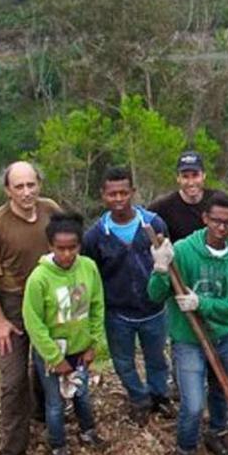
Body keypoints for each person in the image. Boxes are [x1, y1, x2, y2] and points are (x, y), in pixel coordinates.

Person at [147, 192, 228, 455]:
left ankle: (217, 434)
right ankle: (186, 449)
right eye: (216, 221)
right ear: (205, 219)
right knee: (192, 404)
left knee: (221, 391)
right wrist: (159, 267)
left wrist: (201, 303)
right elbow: (155, 295)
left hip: (223, 336)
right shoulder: (182, 250)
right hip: (188, 339)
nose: (222, 228)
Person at [0, 161, 60, 455]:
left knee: (49, 365)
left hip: (48, 301)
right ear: (8, 189)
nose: (26, 192)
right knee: (13, 381)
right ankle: (11, 453)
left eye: (31, 184)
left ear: (39, 183)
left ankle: (44, 417)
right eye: (19, 186)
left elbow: (68, 244)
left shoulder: (50, 209)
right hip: (12, 305)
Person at [82, 167, 173, 426]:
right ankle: (138, 397)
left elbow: (166, 257)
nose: (119, 199)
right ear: (103, 196)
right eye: (113, 194)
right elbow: (92, 274)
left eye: (124, 192)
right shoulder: (95, 236)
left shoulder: (153, 224)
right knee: (123, 362)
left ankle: (159, 395)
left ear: (133, 192)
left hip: (153, 309)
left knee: (156, 358)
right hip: (117, 313)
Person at [22, 211, 107, 455]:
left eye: (73, 248)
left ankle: (88, 432)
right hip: (52, 354)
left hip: (80, 349)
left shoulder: (88, 268)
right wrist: (54, 358)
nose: (67, 254)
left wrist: (94, 344)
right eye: (61, 249)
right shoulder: (39, 278)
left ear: (80, 246)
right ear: (50, 246)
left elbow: (96, 306)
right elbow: (33, 322)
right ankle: (58, 447)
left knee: (81, 394)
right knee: (55, 403)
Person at [148, 150, 228, 242]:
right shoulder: (163, 205)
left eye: (195, 175)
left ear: (203, 176)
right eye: (185, 177)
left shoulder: (215, 199)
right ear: (178, 178)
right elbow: (144, 220)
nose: (191, 182)